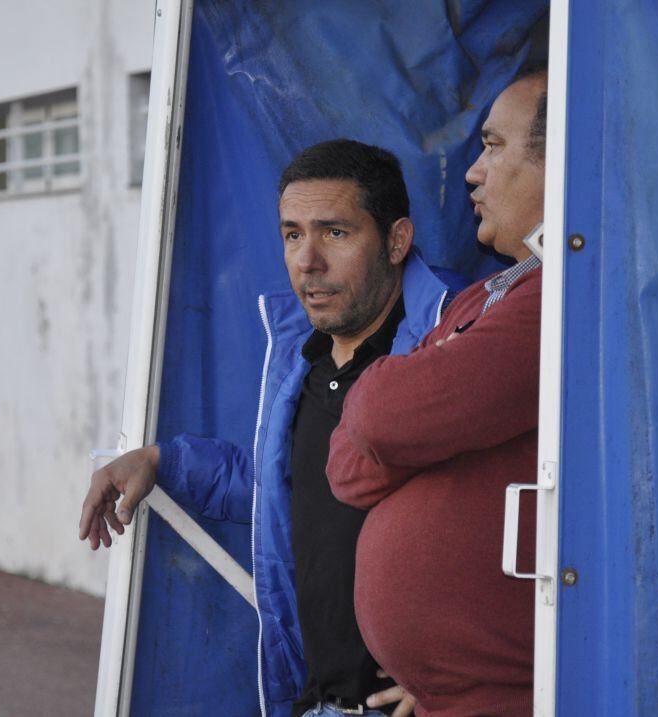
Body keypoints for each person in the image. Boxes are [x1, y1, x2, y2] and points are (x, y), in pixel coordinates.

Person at [79, 139, 467, 717]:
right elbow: (280, 490)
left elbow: (510, 508)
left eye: (334, 232)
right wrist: (159, 461)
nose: (307, 260)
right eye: (292, 234)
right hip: (314, 703)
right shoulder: (302, 361)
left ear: (397, 240)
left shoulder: (453, 342)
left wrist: (463, 673)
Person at [326, 65, 548, 717]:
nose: (473, 172)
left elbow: (384, 412)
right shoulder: (490, 294)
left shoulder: (564, 298)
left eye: (494, 146)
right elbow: (346, 469)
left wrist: (388, 411)